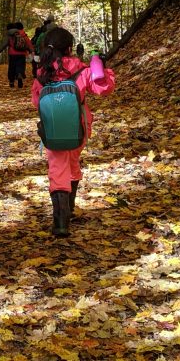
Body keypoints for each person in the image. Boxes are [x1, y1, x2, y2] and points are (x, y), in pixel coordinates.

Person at [31, 26, 115, 237]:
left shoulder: (42, 74)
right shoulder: (83, 70)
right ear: (69, 48)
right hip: (80, 128)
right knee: (73, 161)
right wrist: (103, 68)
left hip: (53, 129)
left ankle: (61, 221)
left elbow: (36, 102)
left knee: (58, 167)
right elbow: (104, 89)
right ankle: (70, 208)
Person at [0, 21, 34, 88]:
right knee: (21, 66)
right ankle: (19, 75)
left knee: (12, 67)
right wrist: (32, 51)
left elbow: (4, 45)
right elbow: (28, 43)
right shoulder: (23, 34)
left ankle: (11, 81)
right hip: (22, 54)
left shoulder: (10, 35)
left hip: (12, 54)